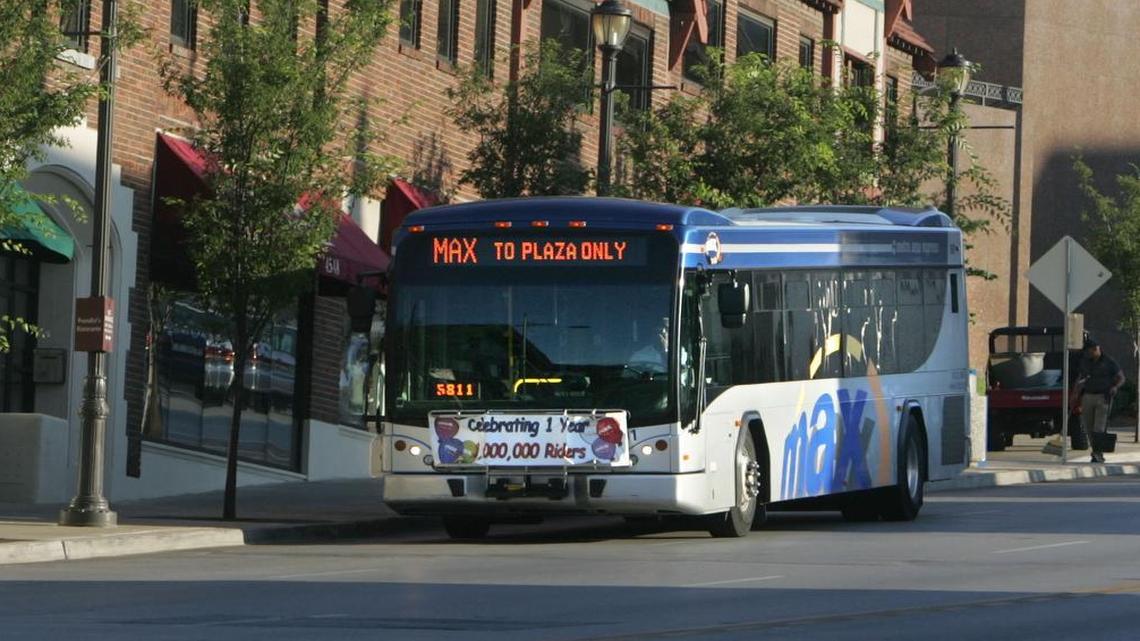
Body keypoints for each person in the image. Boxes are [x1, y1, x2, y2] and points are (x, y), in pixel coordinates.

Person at [1072, 338, 1124, 463]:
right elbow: (1080, 379)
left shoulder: (1109, 362)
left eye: (1092, 350)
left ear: (1097, 348)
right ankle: (1096, 451)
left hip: (1103, 397)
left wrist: (1115, 387)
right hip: (1088, 396)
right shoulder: (1086, 362)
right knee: (1088, 427)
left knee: (1099, 428)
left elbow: (1121, 377)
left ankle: (1097, 453)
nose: (1090, 353)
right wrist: (1075, 394)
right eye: (1088, 351)